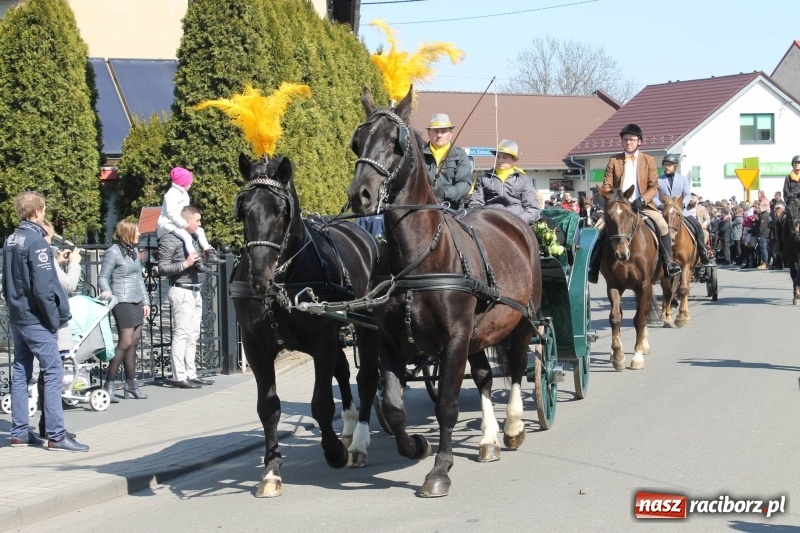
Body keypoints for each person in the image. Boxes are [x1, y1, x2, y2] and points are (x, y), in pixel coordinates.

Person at [3, 191, 88, 451]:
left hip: (18, 315)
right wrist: (52, 319)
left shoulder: (11, 239)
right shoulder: (36, 242)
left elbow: (7, 279)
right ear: (38, 211)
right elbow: (42, 288)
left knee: (20, 372)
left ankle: (19, 432)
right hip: (36, 318)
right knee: (53, 372)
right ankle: (56, 435)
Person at [588, 124, 681, 283]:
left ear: (639, 141)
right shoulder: (614, 160)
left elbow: (654, 186)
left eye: (632, 140)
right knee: (597, 229)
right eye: (625, 140)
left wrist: (642, 199)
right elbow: (607, 185)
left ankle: (668, 264)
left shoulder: (648, 160)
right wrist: (615, 200)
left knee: (663, 226)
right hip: (619, 206)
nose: (628, 143)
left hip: (642, 205)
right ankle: (594, 267)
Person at [158, 205, 215, 389]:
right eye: (197, 220)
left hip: (195, 290)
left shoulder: (195, 237)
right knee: (181, 334)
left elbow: (199, 262)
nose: (200, 224)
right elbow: (163, 268)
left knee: (193, 335)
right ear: (186, 221)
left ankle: (191, 373)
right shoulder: (170, 239)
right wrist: (185, 263)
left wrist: (205, 255)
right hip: (181, 290)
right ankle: (178, 376)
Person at [34, 220, 82, 438]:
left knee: (46, 374)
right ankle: (53, 427)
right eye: (50, 238)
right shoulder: (41, 252)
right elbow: (69, 284)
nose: (50, 242)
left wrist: (58, 262)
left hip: (36, 319)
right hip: (53, 322)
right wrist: (75, 263)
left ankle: (46, 423)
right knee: (52, 374)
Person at [99, 219, 151, 401]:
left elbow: (138, 278)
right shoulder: (112, 252)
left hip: (136, 299)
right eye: (136, 232)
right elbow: (103, 277)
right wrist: (108, 293)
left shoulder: (134, 251)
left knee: (135, 341)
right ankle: (109, 384)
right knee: (125, 341)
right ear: (127, 233)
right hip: (121, 301)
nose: (139, 235)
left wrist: (145, 302)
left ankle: (131, 384)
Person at [157, 167, 224, 273]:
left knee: (200, 231)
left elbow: (186, 211)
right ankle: (197, 262)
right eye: (189, 183)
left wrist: (188, 222)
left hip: (181, 223)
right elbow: (171, 213)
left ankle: (208, 252)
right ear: (183, 183)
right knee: (186, 237)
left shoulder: (184, 193)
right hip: (170, 225)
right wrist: (183, 223)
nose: (191, 185)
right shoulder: (172, 194)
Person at [653, 154, 713, 263]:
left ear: (675, 166)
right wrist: (660, 206)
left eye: (670, 165)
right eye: (665, 165)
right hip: (665, 212)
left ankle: (703, 251)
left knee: (698, 226)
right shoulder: (658, 180)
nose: (667, 167)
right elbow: (654, 196)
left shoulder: (683, 179)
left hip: (681, 211)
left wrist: (684, 205)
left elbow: (687, 194)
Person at [468, 139, 541, 224]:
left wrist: (520, 220)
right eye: (498, 156)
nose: (500, 160)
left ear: (514, 160)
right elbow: (475, 205)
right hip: (490, 222)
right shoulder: (483, 179)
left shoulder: (524, 180)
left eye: (504, 157)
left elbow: (533, 208)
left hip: (516, 222)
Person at [421, 113, 472, 208]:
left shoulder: (460, 155)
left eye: (443, 131)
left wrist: (444, 193)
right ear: (429, 133)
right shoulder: (419, 154)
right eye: (436, 131)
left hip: (452, 210)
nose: (439, 135)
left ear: (450, 134)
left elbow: (465, 183)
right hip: (423, 208)